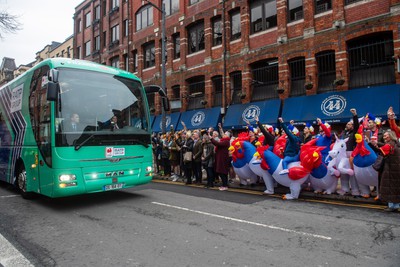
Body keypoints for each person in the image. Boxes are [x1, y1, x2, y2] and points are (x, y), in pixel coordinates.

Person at [377, 130, 400, 212]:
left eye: (386, 135)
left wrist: (371, 144)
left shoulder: (389, 145)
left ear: (391, 136)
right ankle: (395, 205)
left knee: (389, 187)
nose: (384, 137)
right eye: (384, 135)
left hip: (390, 169)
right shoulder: (396, 143)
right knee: (395, 188)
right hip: (395, 169)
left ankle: (392, 206)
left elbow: (380, 152)